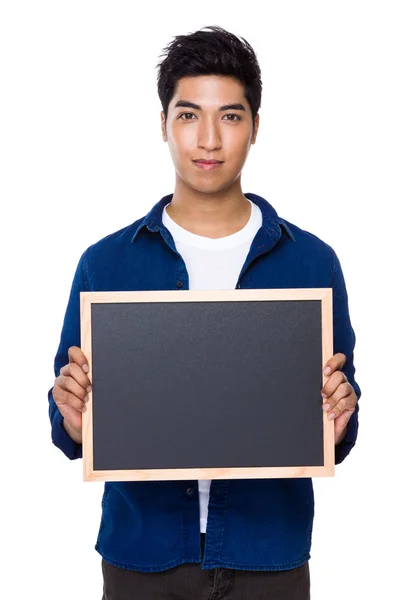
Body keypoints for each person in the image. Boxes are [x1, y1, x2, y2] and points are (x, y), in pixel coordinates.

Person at [48, 25, 360, 600]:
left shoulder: (312, 263)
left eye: (231, 116)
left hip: (270, 557)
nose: (209, 139)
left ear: (256, 127)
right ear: (163, 124)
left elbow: (342, 413)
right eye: (189, 115)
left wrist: (340, 417)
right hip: (142, 559)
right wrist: (72, 416)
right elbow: (66, 417)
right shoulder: (106, 264)